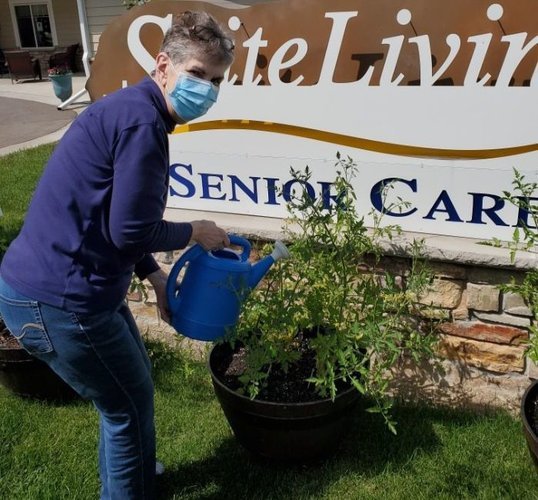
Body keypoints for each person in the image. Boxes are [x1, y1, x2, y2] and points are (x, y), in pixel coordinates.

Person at [0, 11, 234, 500]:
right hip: (61, 300)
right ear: (163, 66)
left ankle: (136, 478)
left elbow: (109, 218)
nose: (207, 90)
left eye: (216, 80)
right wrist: (196, 232)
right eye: (197, 74)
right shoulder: (142, 123)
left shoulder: (133, 110)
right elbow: (130, 231)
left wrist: (154, 276)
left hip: (59, 288)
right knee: (125, 406)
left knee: (132, 389)